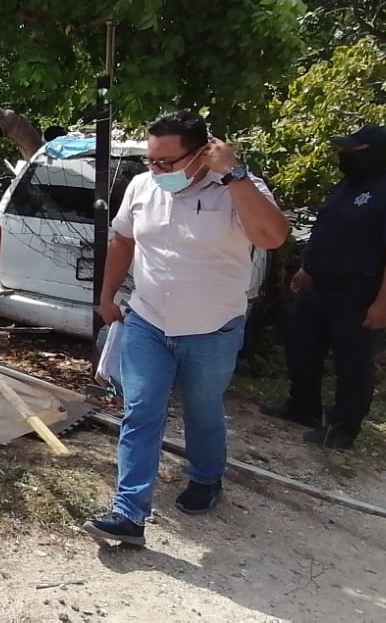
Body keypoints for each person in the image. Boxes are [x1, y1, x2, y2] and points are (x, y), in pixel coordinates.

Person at [82, 110, 290, 547]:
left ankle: (206, 477)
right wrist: (106, 296)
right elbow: (123, 240)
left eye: (166, 162)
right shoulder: (142, 188)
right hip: (148, 320)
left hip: (212, 329)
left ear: (202, 155)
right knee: (140, 412)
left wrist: (234, 173)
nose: (155, 170)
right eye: (149, 160)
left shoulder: (238, 190)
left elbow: (271, 237)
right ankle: (128, 513)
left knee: (203, 409)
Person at [262, 123, 386, 449]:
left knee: (352, 363)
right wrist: (307, 269)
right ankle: (303, 406)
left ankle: (343, 427)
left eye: (353, 150)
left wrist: (384, 304)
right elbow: (329, 235)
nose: (345, 154)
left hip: (359, 294)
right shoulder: (345, 187)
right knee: (301, 346)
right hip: (319, 287)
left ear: (374, 153)